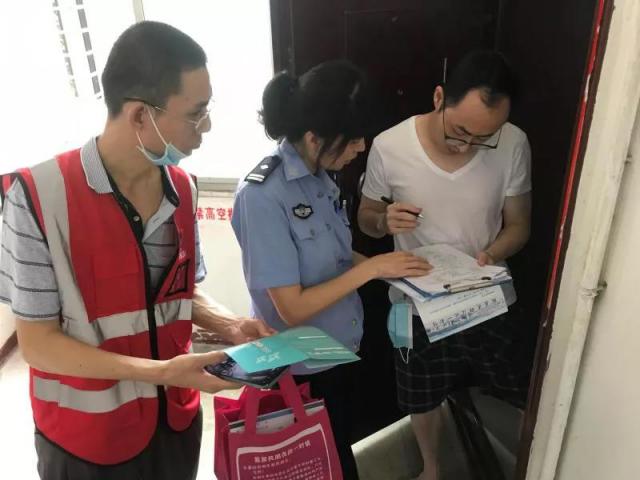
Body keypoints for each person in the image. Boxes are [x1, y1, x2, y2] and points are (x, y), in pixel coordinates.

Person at [0, 21, 273, 480]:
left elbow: (178, 293)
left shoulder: (182, 189)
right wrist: (163, 372)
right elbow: (39, 344)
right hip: (87, 441)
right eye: (196, 114)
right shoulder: (37, 197)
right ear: (140, 116)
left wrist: (231, 325)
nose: (206, 127)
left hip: (174, 422)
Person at [231, 60, 432, 479]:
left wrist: (392, 270)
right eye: (354, 139)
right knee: (317, 466)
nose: (362, 147)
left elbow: (338, 258)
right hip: (300, 370)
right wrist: (373, 269)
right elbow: (291, 308)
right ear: (313, 137)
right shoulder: (261, 196)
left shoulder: (321, 176)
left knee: (338, 456)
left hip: (337, 353)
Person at [357, 50, 532, 480]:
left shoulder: (513, 142)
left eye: (485, 136)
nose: (467, 145)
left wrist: (491, 255)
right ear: (439, 98)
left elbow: (519, 225)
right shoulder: (390, 146)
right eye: (461, 131)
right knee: (421, 396)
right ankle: (432, 469)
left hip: (488, 298)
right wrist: (383, 220)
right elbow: (366, 217)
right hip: (416, 305)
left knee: (515, 390)